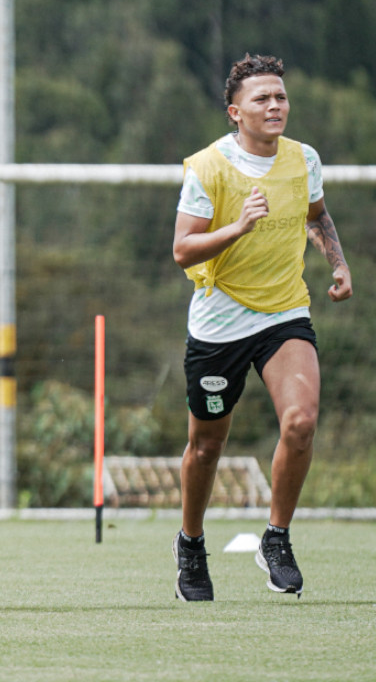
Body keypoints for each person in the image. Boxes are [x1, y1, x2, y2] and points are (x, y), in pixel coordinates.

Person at [171, 54, 351, 602]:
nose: (275, 106)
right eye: (261, 99)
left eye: (280, 97)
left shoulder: (305, 159)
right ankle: (191, 546)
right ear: (235, 112)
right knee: (206, 447)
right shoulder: (208, 167)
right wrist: (238, 226)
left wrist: (338, 263)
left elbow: (316, 216)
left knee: (300, 423)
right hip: (219, 322)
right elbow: (182, 249)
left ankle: (276, 539)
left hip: (284, 313)